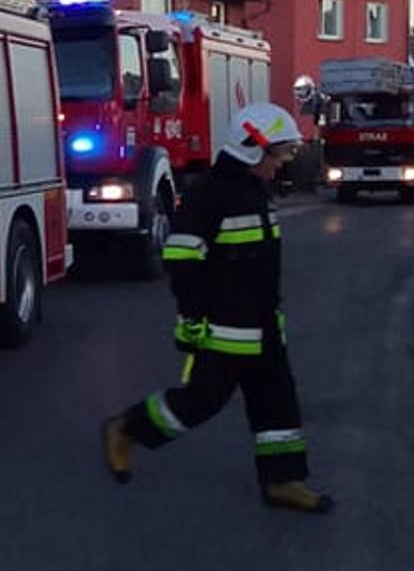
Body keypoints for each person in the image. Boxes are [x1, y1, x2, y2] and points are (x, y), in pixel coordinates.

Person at [101, 104, 333, 514]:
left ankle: (282, 480)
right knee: (200, 401)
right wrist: (191, 320)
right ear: (250, 147)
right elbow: (183, 261)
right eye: (277, 155)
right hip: (224, 327)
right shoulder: (209, 195)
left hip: (263, 326)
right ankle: (126, 429)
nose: (280, 164)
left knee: (278, 401)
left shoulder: (254, 190)